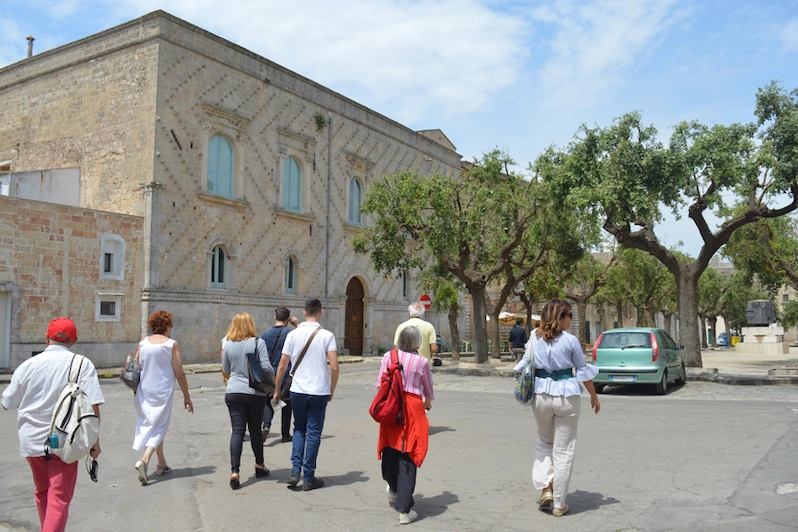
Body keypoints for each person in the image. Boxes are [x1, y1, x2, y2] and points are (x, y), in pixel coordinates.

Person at [2, 317, 104, 532]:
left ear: (46, 338)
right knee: (59, 497)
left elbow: (7, 403)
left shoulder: (27, 365)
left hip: (32, 441)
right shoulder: (81, 364)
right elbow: (92, 407)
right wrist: (94, 442)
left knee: (42, 491)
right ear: (73, 341)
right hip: (66, 440)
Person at [514, 299, 600, 517]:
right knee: (564, 450)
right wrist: (593, 396)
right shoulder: (571, 341)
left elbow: (524, 363)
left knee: (544, 442)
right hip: (567, 396)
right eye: (569, 314)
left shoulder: (534, 338)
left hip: (541, 395)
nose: (571, 318)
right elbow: (582, 370)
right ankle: (560, 504)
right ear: (560, 317)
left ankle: (546, 487)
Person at [273, 298, 338, 491]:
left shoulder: (293, 335)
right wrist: (332, 389)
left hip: (297, 390)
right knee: (314, 432)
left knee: (299, 428)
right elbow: (334, 366)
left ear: (303, 312)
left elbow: (282, 365)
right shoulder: (327, 335)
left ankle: (295, 471)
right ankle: (309, 476)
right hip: (318, 390)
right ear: (321, 312)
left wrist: (277, 390)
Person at [377, 326, 434, 525]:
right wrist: (428, 401)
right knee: (408, 454)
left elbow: (380, 383)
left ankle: (393, 488)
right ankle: (405, 509)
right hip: (412, 409)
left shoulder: (388, 357)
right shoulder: (421, 362)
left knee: (391, 449)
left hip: (391, 407)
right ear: (417, 343)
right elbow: (428, 388)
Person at [132, 310, 193, 485]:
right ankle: (145, 460)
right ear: (166, 326)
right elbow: (180, 373)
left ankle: (161, 463)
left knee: (152, 424)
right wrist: (186, 396)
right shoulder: (171, 344)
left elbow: (134, 366)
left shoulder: (143, 343)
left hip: (144, 390)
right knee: (160, 426)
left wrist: (134, 389)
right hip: (162, 391)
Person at [221, 312, 274, 489]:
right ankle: (259, 465)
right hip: (254, 393)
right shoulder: (258, 343)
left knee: (237, 431)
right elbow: (266, 366)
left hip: (234, 391)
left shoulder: (228, 345)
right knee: (255, 430)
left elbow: (226, 369)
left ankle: (234, 472)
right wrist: (274, 384)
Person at [260, 307, 298, 443]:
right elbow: (303, 341)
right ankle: (285, 434)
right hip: (286, 373)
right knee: (286, 403)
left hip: (268, 373)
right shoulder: (292, 333)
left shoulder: (265, 334)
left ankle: (266, 425)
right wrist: (297, 325)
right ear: (288, 319)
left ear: (275, 317)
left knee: (267, 401)